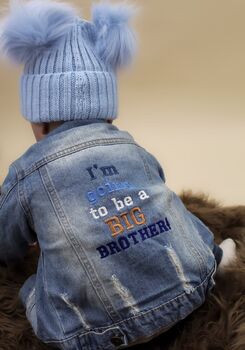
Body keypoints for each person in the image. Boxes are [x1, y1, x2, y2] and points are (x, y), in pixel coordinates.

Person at [0, 1, 236, 349]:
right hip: (192, 290)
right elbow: (154, 186)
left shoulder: (28, 171)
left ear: (40, 122)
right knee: (173, 211)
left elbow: (6, 239)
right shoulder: (132, 147)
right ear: (107, 114)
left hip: (95, 331)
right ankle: (212, 260)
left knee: (33, 289)